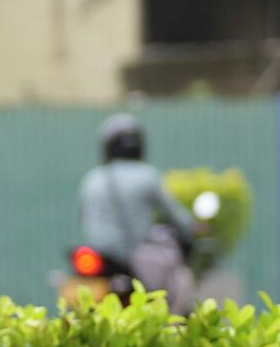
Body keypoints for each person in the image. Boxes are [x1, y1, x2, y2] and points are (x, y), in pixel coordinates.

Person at [76, 113, 195, 304]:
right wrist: (190, 228)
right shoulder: (148, 176)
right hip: (134, 261)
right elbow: (178, 219)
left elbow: (82, 217)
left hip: (98, 259)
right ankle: (172, 325)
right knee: (178, 282)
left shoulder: (92, 179)